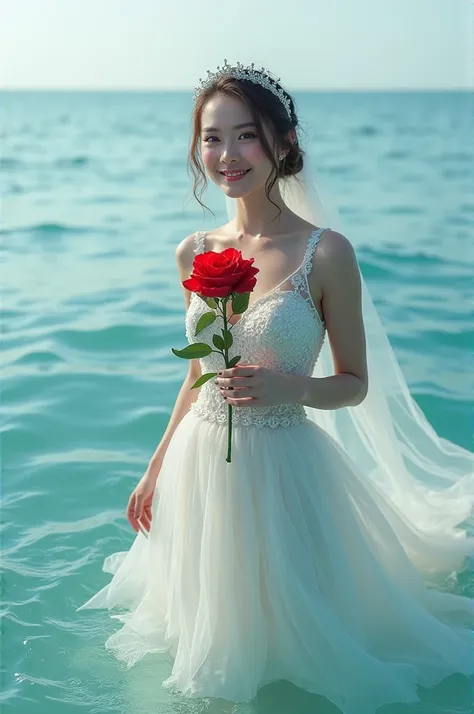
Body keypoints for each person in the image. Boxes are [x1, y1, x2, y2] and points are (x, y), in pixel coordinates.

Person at [77, 62, 473, 713]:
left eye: (245, 136)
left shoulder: (327, 253)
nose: (226, 155)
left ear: (283, 143)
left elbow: (352, 384)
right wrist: (153, 471)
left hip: (287, 467)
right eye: (211, 138)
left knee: (302, 637)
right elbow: (197, 373)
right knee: (207, 635)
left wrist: (292, 386)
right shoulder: (193, 251)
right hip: (198, 464)